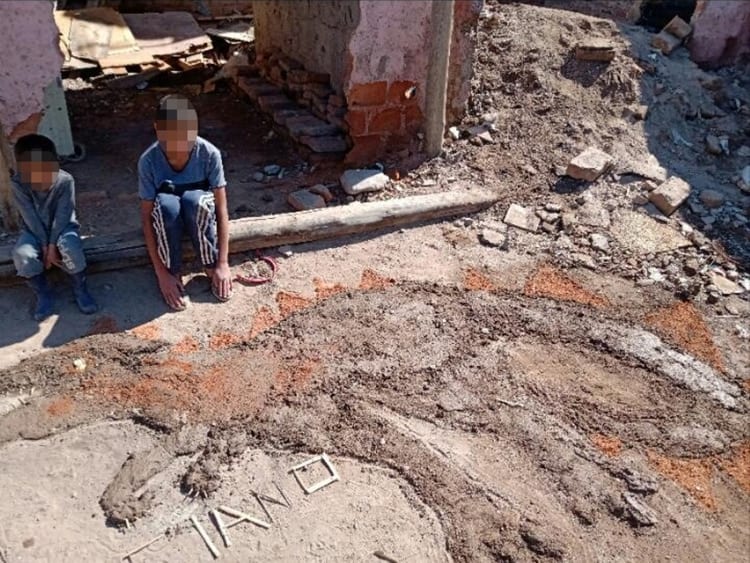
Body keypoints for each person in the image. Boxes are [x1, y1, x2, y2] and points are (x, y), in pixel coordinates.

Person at [138, 94, 232, 310]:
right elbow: (146, 216)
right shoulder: (149, 161)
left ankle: (209, 264)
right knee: (166, 207)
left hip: (198, 211)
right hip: (168, 214)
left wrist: (223, 263)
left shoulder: (209, 154)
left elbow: (221, 208)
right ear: (158, 129)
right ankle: (173, 271)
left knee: (194, 200)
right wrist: (161, 274)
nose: (182, 143)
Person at [11, 134, 98, 321]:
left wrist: (52, 247)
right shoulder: (18, 184)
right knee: (23, 255)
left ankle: (80, 288)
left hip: (64, 228)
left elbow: (63, 215)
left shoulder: (65, 181)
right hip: (33, 232)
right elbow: (30, 218)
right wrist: (44, 245)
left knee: (70, 247)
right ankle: (43, 293)